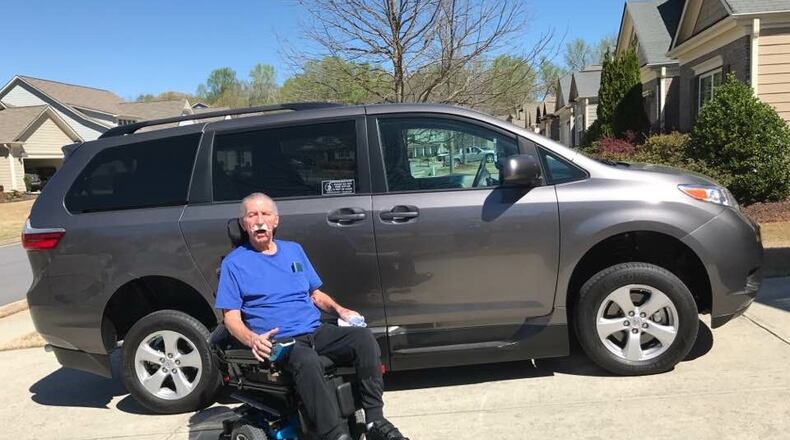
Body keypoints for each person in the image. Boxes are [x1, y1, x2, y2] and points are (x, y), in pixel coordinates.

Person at [215, 192, 408, 440]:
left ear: (276, 220)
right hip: (280, 340)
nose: (259, 221)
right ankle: (334, 434)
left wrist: (340, 310)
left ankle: (374, 422)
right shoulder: (234, 264)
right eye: (252, 215)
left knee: (363, 339)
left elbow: (315, 294)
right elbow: (230, 318)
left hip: (315, 331)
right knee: (307, 360)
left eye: (265, 214)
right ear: (243, 224)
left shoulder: (294, 250)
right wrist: (253, 339)